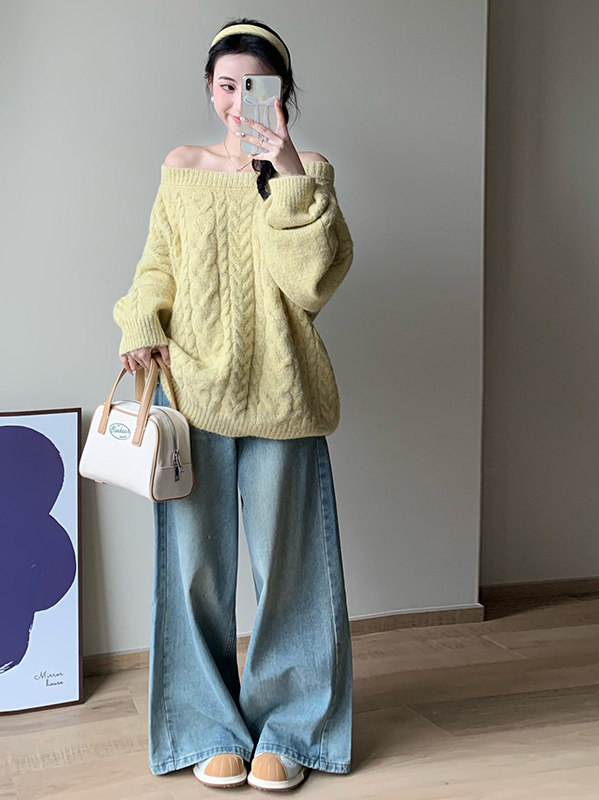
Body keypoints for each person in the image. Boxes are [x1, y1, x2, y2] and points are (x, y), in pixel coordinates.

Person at [113, 18, 354, 792]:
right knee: (194, 575)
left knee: (292, 575)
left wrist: (285, 170)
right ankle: (206, 727)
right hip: (191, 396)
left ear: (280, 93)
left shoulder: (308, 171)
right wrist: (141, 322)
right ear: (209, 88)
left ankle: (293, 730)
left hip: (285, 398)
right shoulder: (182, 167)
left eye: (254, 86)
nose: (236, 99)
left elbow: (312, 283)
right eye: (226, 85)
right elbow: (157, 264)